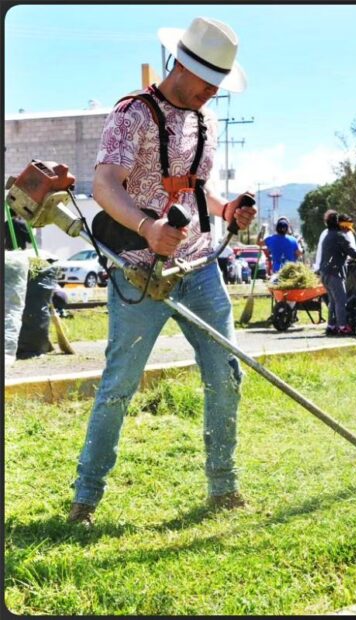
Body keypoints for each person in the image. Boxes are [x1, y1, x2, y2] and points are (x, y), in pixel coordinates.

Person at [68, 17, 257, 526]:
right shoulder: (132, 114)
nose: (212, 93)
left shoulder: (205, 121)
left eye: (219, 85)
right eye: (206, 83)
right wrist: (148, 227)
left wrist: (224, 210)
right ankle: (86, 496)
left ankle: (223, 486)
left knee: (226, 373)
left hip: (199, 266)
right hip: (139, 270)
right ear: (183, 65)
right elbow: (105, 186)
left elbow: (195, 188)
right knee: (119, 384)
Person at [319, 212, 356, 335]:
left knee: (333, 301)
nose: (349, 230)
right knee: (341, 301)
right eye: (347, 227)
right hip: (334, 274)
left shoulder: (329, 235)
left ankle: (331, 326)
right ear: (340, 224)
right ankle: (342, 327)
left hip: (325, 274)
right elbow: (352, 252)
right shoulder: (339, 236)